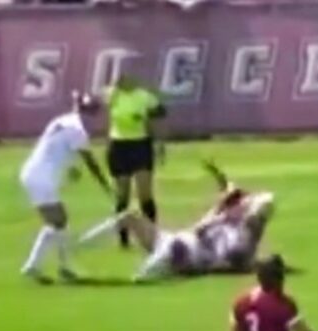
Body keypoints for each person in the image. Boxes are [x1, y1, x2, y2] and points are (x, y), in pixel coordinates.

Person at [76, 163, 277, 281]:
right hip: (173, 238)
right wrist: (227, 197)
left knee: (153, 266)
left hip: (184, 254)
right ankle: (78, 247)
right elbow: (235, 192)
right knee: (130, 216)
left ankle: (140, 276)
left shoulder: (241, 240)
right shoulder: (226, 214)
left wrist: (223, 216)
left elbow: (267, 201)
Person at [19, 91, 112, 284]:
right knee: (59, 223)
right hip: (41, 177)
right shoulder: (78, 130)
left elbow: (57, 148)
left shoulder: (62, 121)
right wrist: (106, 186)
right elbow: (90, 161)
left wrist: (71, 168)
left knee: (58, 223)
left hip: (33, 173)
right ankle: (37, 265)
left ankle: (60, 267)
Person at [104, 74, 167, 248]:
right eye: (119, 78)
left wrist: (146, 115)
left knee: (144, 193)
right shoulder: (113, 95)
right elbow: (104, 101)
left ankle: (152, 235)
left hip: (140, 144)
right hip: (118, 145)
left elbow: (161, 111)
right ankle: (123, 238)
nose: (123, 80)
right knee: (122, 194)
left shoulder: (143, 96)